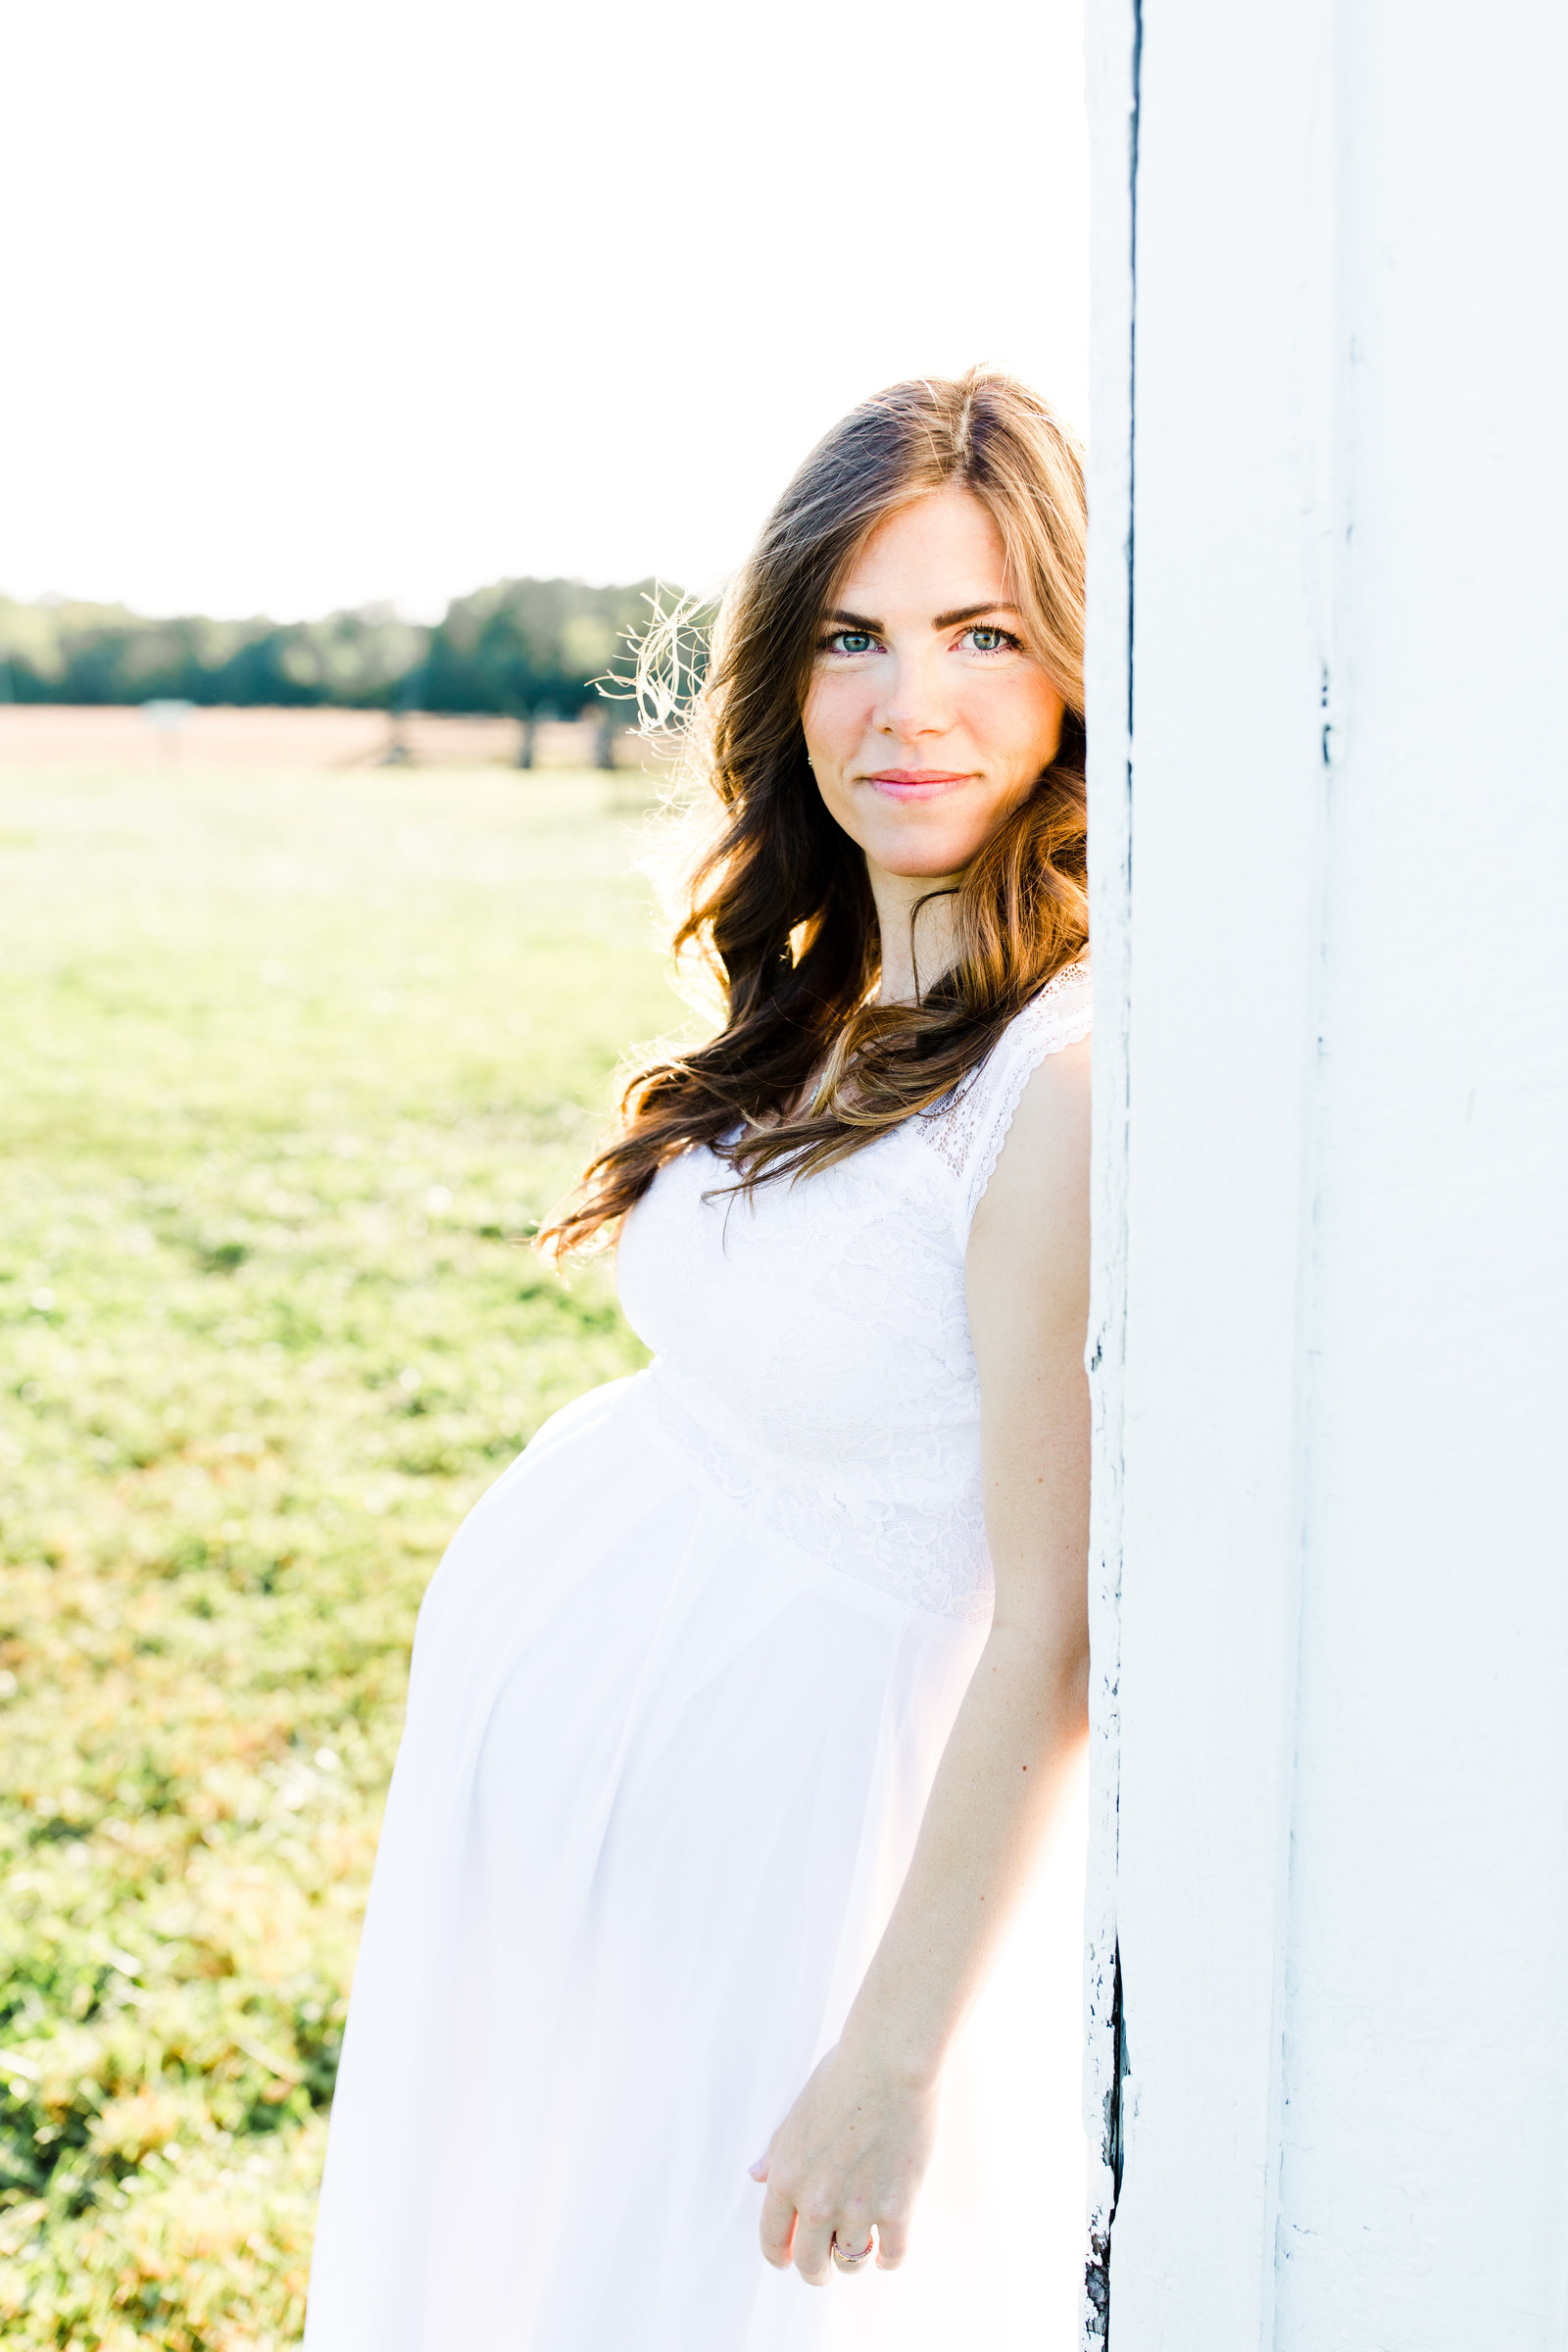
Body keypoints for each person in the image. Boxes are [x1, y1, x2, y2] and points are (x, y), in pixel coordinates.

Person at [304, 368, 1093, 2352]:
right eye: (851, 635)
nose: (909, 704)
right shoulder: (835, 979)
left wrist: (889, 2058)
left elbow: (1053, 1628)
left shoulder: (1060, 1081)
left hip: (794, 1868)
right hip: (588, 1865)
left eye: (980, 633)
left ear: (1077, 665)